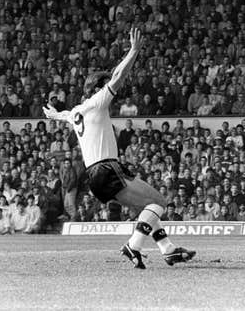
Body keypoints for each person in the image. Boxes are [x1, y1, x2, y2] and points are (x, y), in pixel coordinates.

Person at [43, 28, 194, 269]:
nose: (108, 89)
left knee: (148, 206)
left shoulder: (76, 112)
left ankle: (169, 249)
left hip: (95, 176)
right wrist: (133, 51)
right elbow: (118, 76)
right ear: (95, 88)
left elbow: (62, 115)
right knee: (159, 202)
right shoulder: (96, 103)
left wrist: (53, 115)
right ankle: (134, 245)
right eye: (102, 85)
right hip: (107, 169)